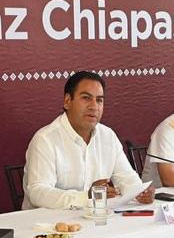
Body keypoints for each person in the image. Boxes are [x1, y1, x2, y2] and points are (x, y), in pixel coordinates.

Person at [24, 71, 155, 209]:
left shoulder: (108, 136)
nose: (94, 106)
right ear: (67, 101)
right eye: (86, 98)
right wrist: (86, 196)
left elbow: (127, 178)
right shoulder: (45, 139)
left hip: (96, 217)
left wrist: (140, 192)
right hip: (49, 220)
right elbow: (38, 192)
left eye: (99, 100)